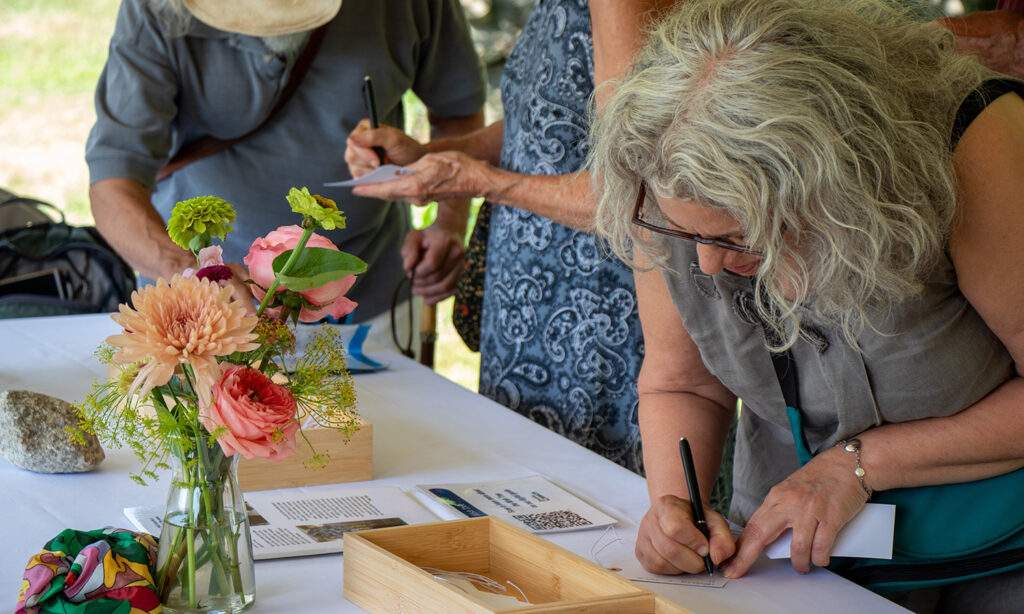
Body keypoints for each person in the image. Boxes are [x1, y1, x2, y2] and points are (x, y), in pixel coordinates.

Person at [588, 0, 1024, 610]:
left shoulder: (968, 146)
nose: (708, 266)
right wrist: (674, 513)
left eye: (737, 238)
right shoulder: (663, 180)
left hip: (999, 543)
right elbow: (680, 380)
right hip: (795, 551)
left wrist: (858, 465)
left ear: (829, 191)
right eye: (692, 237)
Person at [344, 0, 675, 475]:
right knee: (520, 495)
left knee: (596, 510)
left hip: (598, 313)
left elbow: (634, 188)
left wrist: (479, 181)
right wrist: (427, 153)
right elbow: (543, 122)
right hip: (531, 305)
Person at [86, 0, 486, 335]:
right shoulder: (160, 7)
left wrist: (448, 222)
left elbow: (457, 111)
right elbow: (113, 181)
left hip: (369, 299)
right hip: (203, 312)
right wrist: (194, 273)